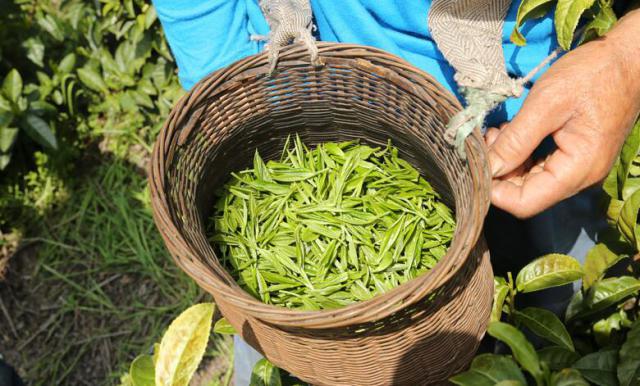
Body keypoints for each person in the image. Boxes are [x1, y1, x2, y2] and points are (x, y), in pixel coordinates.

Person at [152, 1, 640, 385]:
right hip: (330, 70)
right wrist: (224, 72)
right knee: (290, 352)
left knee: (556, 306)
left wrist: (626, 59)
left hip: (545, 107)